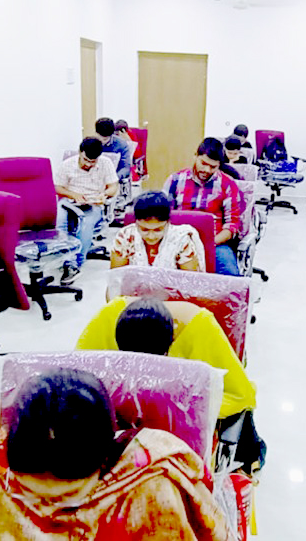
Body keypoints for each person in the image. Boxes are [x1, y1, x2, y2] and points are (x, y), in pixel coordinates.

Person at [0, 367, 230, 540]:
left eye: (69, 497)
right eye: (27, 494)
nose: (46, 513)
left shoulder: (151, 488)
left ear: (105, 461)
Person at [76, 297, 255, 419]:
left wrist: (176, 409)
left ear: (172, 341)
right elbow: (76, 381)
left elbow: (239, 395)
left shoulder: (200, 327)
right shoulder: (107, 318)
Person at [163, 138, 244, 276]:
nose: (207, 170)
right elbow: (162, 215)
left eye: (213, 167)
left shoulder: (228, 185)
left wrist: (210, 243)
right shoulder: (175, 180)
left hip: (215, 243)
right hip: (177, 240)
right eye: (203, 163)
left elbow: (232, 225)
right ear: (195, 156)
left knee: (230, 276)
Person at [55, 137, 120, 284]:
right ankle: (66, 260)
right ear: (80, 152)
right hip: (69, 201)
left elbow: (113, 187)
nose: (88, 164)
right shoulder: (67, 165)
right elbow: (58, 187)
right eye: (85, 160)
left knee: (85, 224)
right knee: (60, 223)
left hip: (93, 202)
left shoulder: (105, 163)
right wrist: (73, 195)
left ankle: (75, 264)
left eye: (93, 161)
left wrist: (104, 195)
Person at [111, 191, 205, 272]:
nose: (151, 236)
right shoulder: (124, 237)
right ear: (136, 223)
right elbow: (116, 279)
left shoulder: (182, 241)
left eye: (158, 230)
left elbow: (189, 282)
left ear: (168, 223)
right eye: (144, 230)